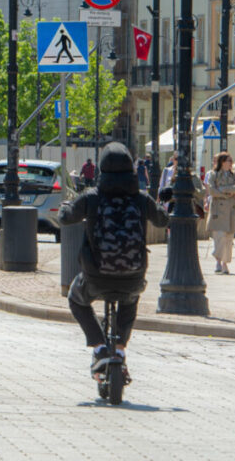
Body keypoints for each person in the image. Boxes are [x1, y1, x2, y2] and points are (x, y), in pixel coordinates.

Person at [58, 143, 168, 376]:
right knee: (131, 299)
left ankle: (99, 347)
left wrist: (65, 207)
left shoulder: (92, 197)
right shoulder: (140, 199)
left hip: (96, 275)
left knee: (76, 299)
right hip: (133, 275)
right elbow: (162, 220)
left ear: (102, 169)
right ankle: (119, 350)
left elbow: (67, 218)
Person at [203, 151, 235, 273]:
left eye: (231, 161)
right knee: (219, 236)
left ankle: (225, 264)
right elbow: (211, 190)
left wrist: (223, 189)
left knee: (228, 238)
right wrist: (226, 193)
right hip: (218, 209)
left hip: (232, 209)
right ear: (222, 162)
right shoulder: (213, 174)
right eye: (228, 161)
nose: (231, 163)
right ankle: (218, 260)